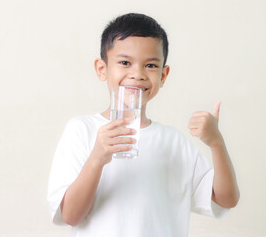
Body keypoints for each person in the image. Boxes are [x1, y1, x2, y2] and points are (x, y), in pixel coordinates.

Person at [47, 13, 239, 237]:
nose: (137, 74)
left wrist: (216, 142)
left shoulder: (173, 142)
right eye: (125, 62)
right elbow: (70, 215)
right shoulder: (82, 130)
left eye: (150, 65)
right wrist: (97, 158)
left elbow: (226, 199)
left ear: (163, 75)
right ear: (102, 69)